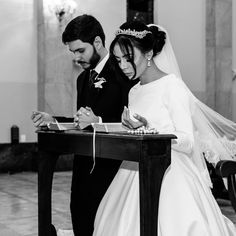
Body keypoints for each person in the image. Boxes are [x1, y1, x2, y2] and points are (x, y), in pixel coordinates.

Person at [92, 20, 236, 236]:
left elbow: (187, 141)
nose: (123, 66)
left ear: (148, 53)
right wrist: (130, 130)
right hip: (134, 169)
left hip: (172, 174)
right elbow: (138, 133)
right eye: (118, 59)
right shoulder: (134, 92)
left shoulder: (172, 86)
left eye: (129, 58)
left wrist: (149, 129)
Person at [32, 15, 137, 236]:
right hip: (83, 165)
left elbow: (133, 121)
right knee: (81, 217)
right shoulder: (82, 79)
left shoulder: (123, 72)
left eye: (81, 50)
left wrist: (98, 121)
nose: (77, 58)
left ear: (97, 42)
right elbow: (82, 122)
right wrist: (54, 120)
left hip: (113, 168)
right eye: (73, 52)